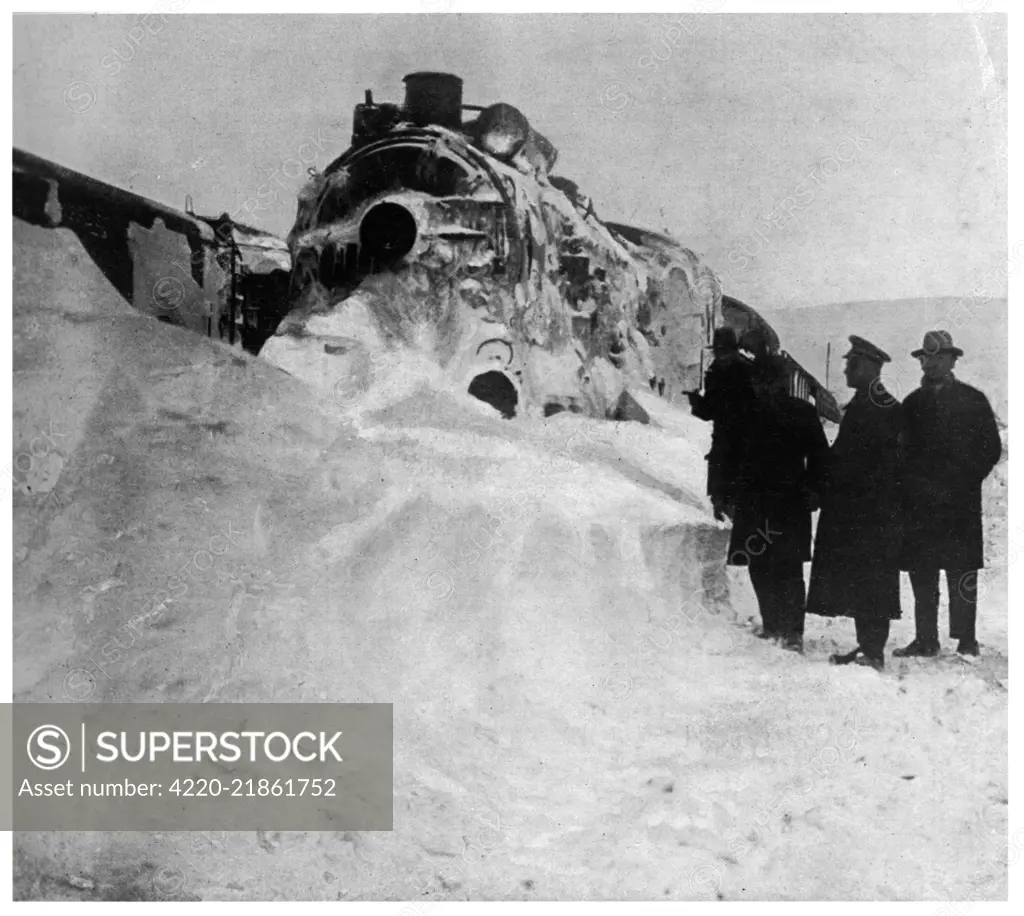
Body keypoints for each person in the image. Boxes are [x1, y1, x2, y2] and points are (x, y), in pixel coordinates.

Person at [892, 330, 1002, 658]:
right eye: (926, 358)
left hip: (959, 502)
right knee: (922, 571)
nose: (931, 364)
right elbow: (900, 453)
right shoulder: (912, 404)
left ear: (953, 360)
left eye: (939, 357)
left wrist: (964, 479)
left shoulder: (974, 400)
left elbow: (990, 448)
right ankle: (926, 639)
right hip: (921, 503)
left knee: (961, 571)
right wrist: (913, 485)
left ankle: (966, 639)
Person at [805, 336, 904, 670]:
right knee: (865, 579)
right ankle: (868, 647)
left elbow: (885, 464)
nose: (846, 368)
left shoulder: (879, 407)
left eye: (851, 364)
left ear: (867, 368)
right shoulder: (870, 403)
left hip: (871, 513)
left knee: (873, 580)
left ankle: (873, 652)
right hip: (863, 511)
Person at [727, 352, 829, 651]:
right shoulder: (757, 413)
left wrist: (815, 490)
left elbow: (820, 457)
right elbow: (731, 459)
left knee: (774, 566)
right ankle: (782, 628)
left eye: (765, 381)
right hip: (773, 502)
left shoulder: (789, 413)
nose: (763, 387)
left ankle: (784, 628)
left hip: (773, 502)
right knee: (774, 566)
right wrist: (814, 492)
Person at [687, 327, 756, 520]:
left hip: (741, 446)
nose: (720, 356)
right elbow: (709, 411)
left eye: (723, 351)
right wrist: (697, 402)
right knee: (721, 502)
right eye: (718, 351)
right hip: (725, 445)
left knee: (736, 502)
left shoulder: (744, 371)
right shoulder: (717, 372)